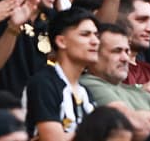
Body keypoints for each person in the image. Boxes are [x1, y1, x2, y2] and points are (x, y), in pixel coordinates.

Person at [25, 8, 98, 141]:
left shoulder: (85, 91)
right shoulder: (43, 84)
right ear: (61, 41)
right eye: (85, 34)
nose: (95, 41)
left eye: (96, 35)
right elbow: (52, 139)